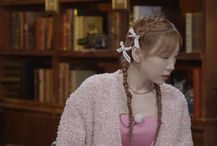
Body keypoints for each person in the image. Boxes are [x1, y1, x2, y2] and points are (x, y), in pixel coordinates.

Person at [56, 16, 193, 146]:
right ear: (137, 54)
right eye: (164, 57)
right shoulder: (94, 90)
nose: (171, 66)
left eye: (174, 57)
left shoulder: (176, 100)